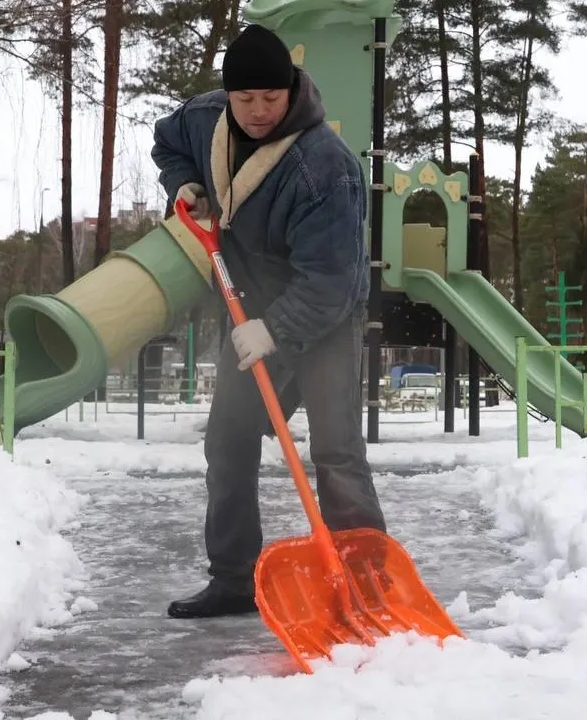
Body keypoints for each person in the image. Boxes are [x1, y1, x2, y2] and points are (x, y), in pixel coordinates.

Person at [150, 23, 387, 619]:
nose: (258, 112)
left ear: (292, 91)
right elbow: (166, 141)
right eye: (245, 99)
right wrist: (184, 182)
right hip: (248, 309)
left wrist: (273, 330)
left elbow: (331, 281)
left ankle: (367, 584)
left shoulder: (323, 168)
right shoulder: (204, 119)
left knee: (335, 450)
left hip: (325, 316)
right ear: (227, 96)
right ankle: (233, 579)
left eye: (271, 99)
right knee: (228, 441)